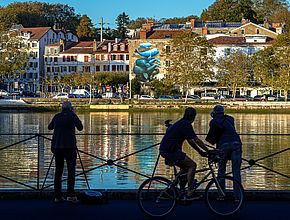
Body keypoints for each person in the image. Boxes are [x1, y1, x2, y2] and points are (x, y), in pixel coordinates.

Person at [159, 107, 209, 199]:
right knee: (192, 165)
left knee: (186, 167)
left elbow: (190, 141)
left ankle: (172, 187)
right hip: (171, 150)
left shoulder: (181, 123)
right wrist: (207, 151)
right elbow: (196, 140)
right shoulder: (185, 124)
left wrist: (200, 151)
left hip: (167, 149)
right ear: (193, 117)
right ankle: (190, 192)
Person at [48, 101, 83, 203]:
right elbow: (80, 128)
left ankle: (58, 196)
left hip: (57, 146)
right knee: (71, 171)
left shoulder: (57, 116)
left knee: (58, 172)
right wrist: (75, 114)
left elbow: (49, 127)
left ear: (62, 108)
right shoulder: (73, 116)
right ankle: (70, 195)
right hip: (70, 147)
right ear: (71, 108)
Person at [207, 105, 242, 200]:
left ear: (214, 113)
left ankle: (222, 194)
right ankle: (238, 197)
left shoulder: (213, 121)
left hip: (223, 145)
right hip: (236, 143)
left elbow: (214, 136)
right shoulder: (230, 119)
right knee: (236, 171)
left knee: (221, 170)